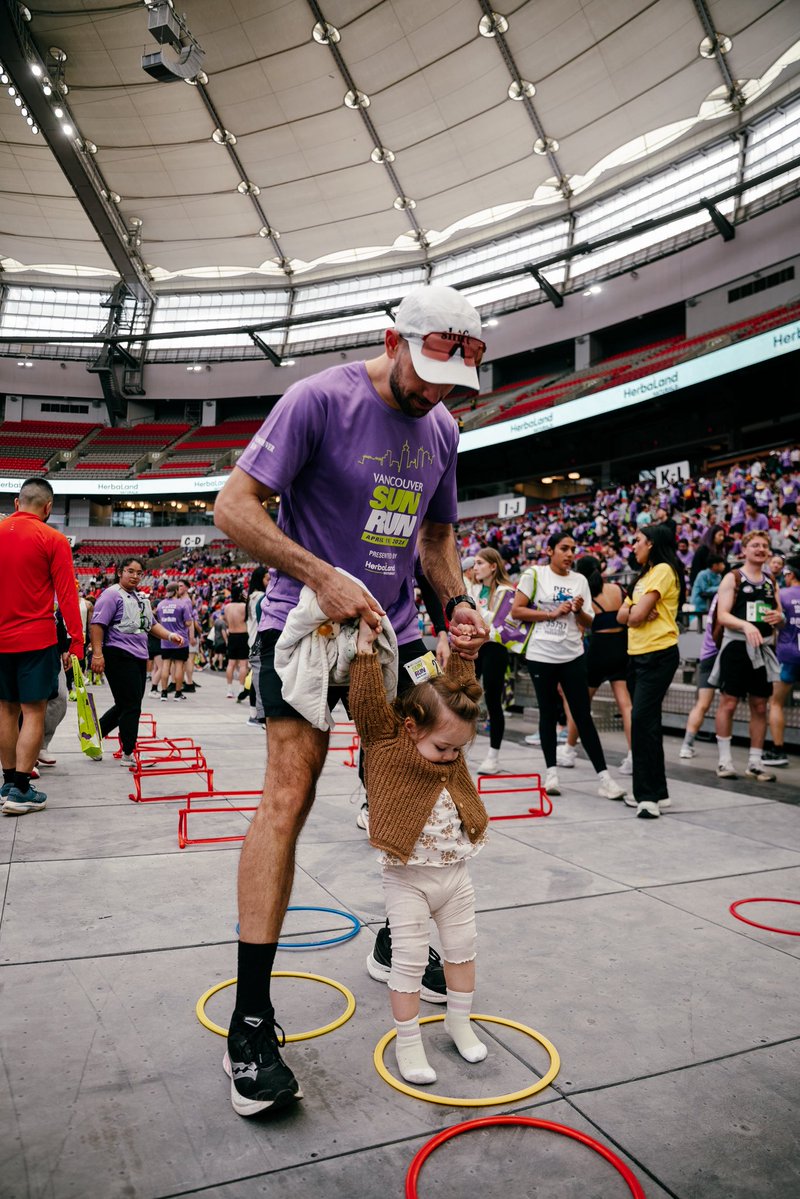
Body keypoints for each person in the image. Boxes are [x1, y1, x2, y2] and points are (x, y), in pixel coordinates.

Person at [213, 284, 488, 1117]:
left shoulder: (442, 426)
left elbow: (435, 539)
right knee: (286, 798)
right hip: (302, 623)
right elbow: (233, 507)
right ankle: (251, 1019)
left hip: (393, 630)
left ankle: (394, 941)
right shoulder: (318, 399)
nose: (436, 391)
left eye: (453, 379)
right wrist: (320, 574)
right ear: (391, 338)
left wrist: (457, 603)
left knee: (420, 782)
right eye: (428, 370)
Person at [350, 615, 489, 1085]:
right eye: (444, 749)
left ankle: (458, 1022)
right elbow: (368, 705)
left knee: (463, 952)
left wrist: (466, 654)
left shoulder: (450, 736)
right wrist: (366, 652)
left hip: (456, 876)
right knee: (408, 964)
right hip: (408, 880)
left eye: (458, 751)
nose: (453, 758)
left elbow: (460, 695)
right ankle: (409, 1045)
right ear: (410, 728)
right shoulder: (388, 744)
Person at [510, 532, 626, 801]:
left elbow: (589, 623)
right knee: (547, 714)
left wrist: (578, 611)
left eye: (573, 549)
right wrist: (551, 613)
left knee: (582, 715)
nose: (570, 554)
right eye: (564, 548)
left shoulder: (580, 580)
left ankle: (604, 779)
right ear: (549, 550)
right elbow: (517, 611)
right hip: (541, 654)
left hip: (572, 655)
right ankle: (551, 773)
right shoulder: (534, 574)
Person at [0, 478, 83, 815]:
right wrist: (76, 643)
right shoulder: (53, 538)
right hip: (36, 639)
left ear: (17, 504)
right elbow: (67, 596)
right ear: (48, 508)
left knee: (6, 709)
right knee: (33, 711)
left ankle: (6, 782)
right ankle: (21, 789)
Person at [617, 524, 683, 818]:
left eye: (639, 541)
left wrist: (635, 614)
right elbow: (624, 615)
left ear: (652, 543)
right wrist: (635, 613)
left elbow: (635, 615)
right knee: (649, 722)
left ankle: (646, 797)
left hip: (659, 653)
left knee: (641, 721)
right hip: (637, 654)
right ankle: (659, 791)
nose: (634, 546)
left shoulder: (665, 571)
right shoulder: (644, 576)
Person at [90, 558, 184, 763]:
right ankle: (128, 753)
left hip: (139, 655)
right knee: (131, 705)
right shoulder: (111, 595)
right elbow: (97, 625)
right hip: (118, 654)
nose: (134, 576)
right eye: (130, 571)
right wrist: (98, 654)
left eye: (139, 573)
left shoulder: (142, 598)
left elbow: (151, 624)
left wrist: (169, 636)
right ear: (120, 572)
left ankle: (93, 734)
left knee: (127, 703)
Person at [712, 531, 784, 781]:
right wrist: (745, 625)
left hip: (763, 649)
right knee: (728, 702)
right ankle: (724, 761)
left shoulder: (770, 581)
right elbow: (723, 615)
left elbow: (779, 613)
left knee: (760, 705)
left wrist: (780, 618)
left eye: (765, 546)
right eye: (755, 545)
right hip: (736, 647)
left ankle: (755, 761)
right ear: (744, 550)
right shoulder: (733, 578)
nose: (761, 549)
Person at [559, 554, 632, 775]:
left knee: (581, 706)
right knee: (626, 705)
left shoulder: (584, 594)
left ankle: (569, 750)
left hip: (598, 650)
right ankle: (633, 756)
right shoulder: (618, 589)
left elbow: (582, 627)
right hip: (621, 648)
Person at [468, 547, 515, 774]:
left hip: (495, 649)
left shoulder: (506, 591)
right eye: (475, 563)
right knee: (465, 695)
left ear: (493, 566)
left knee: (493, 700)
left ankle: (493, 756)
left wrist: (478, 615)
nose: (475, 567)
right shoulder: (476, 590)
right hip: (476, 646)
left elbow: (497, 627)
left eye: (479, 563)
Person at [764, 554, 800, 766]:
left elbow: (774, 623)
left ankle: (778, 751)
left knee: (776, 702)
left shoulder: (782, 594)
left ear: (791, 574)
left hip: (788, 654)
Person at [679, 592, 720, 759]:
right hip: (724, 654)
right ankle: (725, 754)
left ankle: (686, 745)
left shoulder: (718, 597)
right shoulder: (732, 596)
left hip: (707, 654)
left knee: (702, 704)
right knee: (726, 704)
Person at [156, 582, 195, 702]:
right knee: (179, 666)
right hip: (180, 640)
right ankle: (178, 693)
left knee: (165, 666)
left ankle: (163, 693)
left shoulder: (160, 605)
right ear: (177, 591)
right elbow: (188, 623)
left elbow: (158, 621)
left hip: (166, 639)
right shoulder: (182, 604)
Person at [223, 586, 249, 699]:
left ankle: (229, 689)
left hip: (232, 635)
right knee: (243, 664)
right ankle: (241, 689)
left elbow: (225, 619)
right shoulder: (243, 606)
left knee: (231, 663)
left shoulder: (227, 607)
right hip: (242, 635)